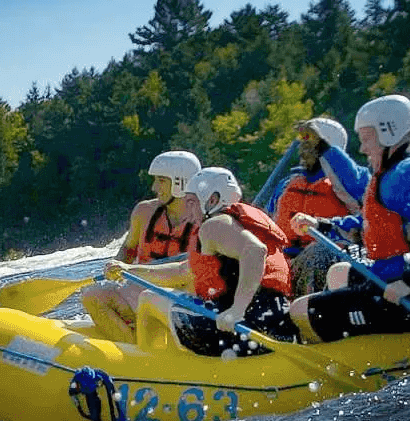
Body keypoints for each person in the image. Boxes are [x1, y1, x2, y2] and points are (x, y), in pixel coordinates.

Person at [289, 95, 410, 343]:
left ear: (389, 133)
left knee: (300, 311)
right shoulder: (398, 169)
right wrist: (322, 225)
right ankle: (357, 341)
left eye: (366, 139)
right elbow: (372, 223)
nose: (362, 149)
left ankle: (338, 361)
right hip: (400, 280)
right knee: (338, 273)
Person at [105, 167, 297, 356]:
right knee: (155, 295)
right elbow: (184, 271)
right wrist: (128, 270)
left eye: (191, 202)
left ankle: (148, 365)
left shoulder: (214, 224)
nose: (188, 211)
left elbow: (255, 251)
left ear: (212, 200)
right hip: (273, 323)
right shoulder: (232, 224)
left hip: (244, 327)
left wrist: (236, 310)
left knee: (148, 299)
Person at [80, 150, 203, 339]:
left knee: (150, 300)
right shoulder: (143, 211)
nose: (154, 187)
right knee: (92, 296)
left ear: (181, 183)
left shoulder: (206, 221)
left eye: (161, 181)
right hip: (140, 289)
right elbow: (128, 250)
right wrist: (116, 265)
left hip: (181, 296)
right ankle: (131, 351)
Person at [271, 117, 368, 295]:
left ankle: (309, 309)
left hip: (328, 260)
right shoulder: (288, 184)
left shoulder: (347, 185)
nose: (301, 150)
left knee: (319, 251)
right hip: (283, 261)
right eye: (301, 145)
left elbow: (359, 187)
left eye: (309, 146)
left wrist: (329, 151)